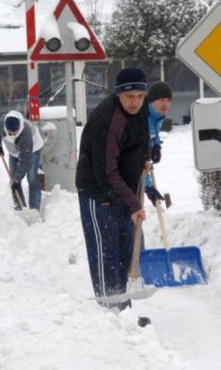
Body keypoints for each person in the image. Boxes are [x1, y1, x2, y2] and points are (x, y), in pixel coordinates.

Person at [75, 67, 151, 327]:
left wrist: (146, 159)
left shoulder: (140, 109)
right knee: (106, 251)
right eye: (130, 96)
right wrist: (132, 204)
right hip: (98, 192)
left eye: (140, 96)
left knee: (125, 249)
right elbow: (106, 170)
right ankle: (109, 315)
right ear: (119, 94)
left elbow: (143, 139)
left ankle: (124, 312)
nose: (135, 102)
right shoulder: (108, 120)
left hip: (120, 188)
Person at [0, 110, 44, 211]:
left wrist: (17, 178)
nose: (12, 134)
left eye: (14, 132)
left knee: (32, 178)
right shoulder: (0, 123)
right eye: (9, 132)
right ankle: (19, 206)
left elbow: (25, 160)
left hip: (32, 150)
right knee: (13, 180)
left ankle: (34, 209)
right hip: (13, 151)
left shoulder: (26, 133)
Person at [144, 82, 173, 206]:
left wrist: (156, 146)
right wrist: (148, 187)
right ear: (151, 101)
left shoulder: (158, 117)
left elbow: (153, 134)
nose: (165, 104)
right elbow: (137, 162)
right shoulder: (142, 118)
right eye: (161, 100)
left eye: (168, 100)